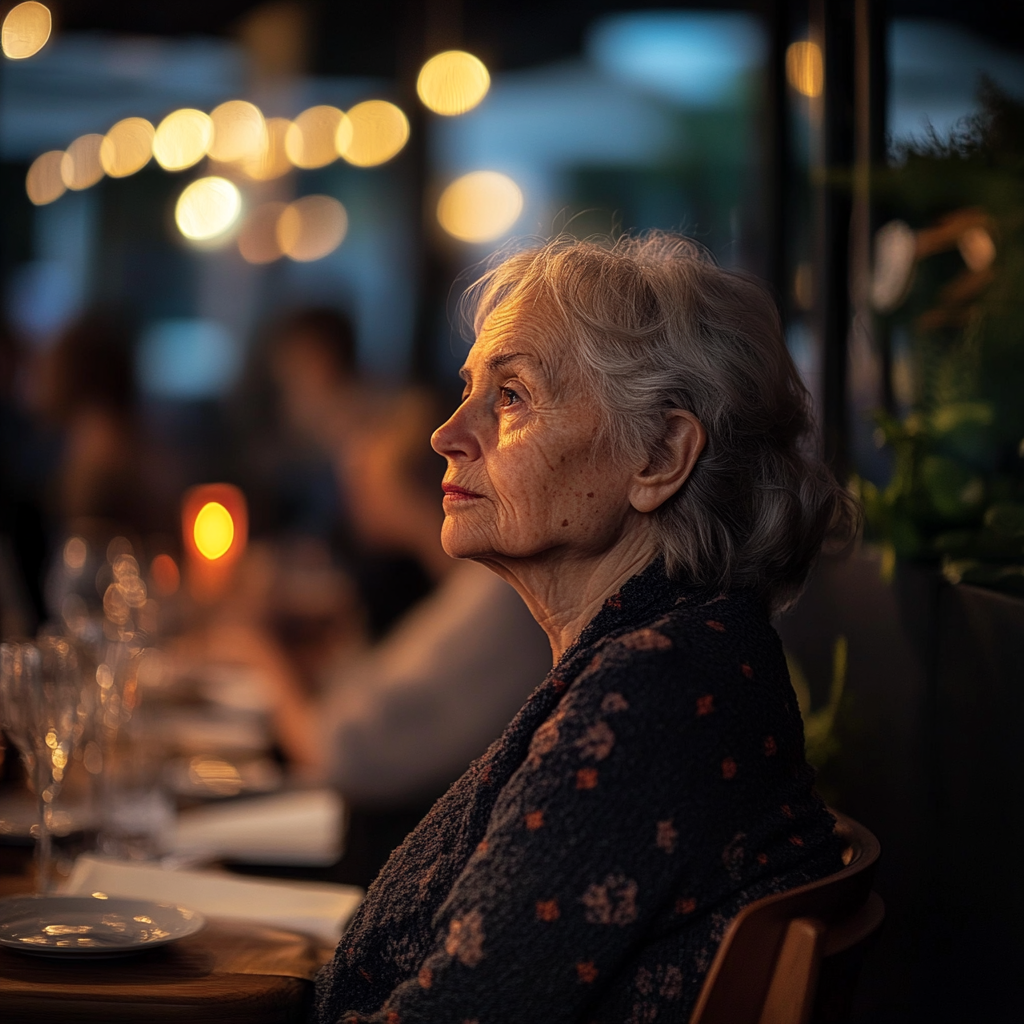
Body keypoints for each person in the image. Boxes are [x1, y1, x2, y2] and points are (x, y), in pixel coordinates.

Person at [313, 232, 859, 1023]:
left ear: (661, 456)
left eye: (510, 397)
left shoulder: (654, 697)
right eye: (469, 389)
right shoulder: (681, 658)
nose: (445, 434)